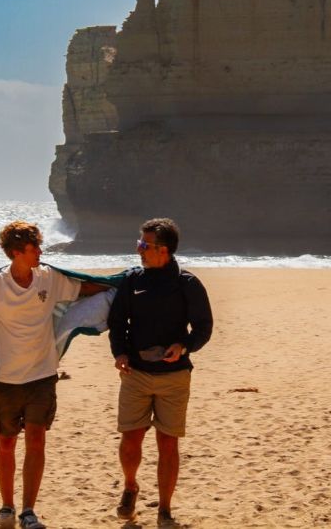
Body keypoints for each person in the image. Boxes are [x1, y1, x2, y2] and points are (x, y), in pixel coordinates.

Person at [0, 220, 108, 529]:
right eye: (33, 248)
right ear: (15, 253)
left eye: (38, 246)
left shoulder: (49, 278)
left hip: (42, 376)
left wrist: (117, 286)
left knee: (37, 440)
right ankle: (6, 506)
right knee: (6, 443)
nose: (40, 251)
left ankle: (28, 511)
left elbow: (83, 287)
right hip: (7, 380)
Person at [108, 218, 214, 527]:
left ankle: (164, 509)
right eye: (138, 243)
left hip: (175, 377)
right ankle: (130, 486)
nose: (138, 249)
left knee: (168, 445)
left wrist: (184, 345)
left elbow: (204, 329)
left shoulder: (187, 283)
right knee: (131, 440)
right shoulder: (132, 281)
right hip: (136, 374)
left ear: (163, 250)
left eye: (144, 245)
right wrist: (120, 354)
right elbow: (117, 324)